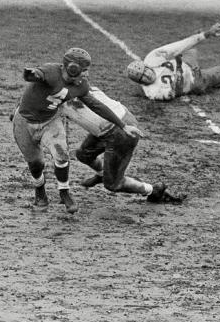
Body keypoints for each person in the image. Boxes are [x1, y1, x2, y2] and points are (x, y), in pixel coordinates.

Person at [12, 48, 142, 213]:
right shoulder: (51, 71)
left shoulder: (81, 86)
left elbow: (96, 105)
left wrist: (123, 125)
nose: (86, 74)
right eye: (84, 69)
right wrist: (32, 74)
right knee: (36, 164)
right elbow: (37, 76)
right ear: (73, 68)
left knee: (62, 155)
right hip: (25, 122)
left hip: (50, 121)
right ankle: (40, 191)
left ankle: (64, 192)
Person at [62, 86, 184, 204]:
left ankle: (154, 189)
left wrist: (123, 126)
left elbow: (96, 106)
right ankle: (102, 174)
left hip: (121, 129)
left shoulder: (62, 89)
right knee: (84, 154)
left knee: (113, 184)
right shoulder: (69, 82)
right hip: (110, 125)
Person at [124, 22, 220, 101]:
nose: (147, 75)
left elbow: (177, 47)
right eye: (142, 77)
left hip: (186, 62)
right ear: (141, 83)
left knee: (189, 48)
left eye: (145, 71)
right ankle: (219, 81)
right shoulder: (153, 92)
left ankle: (195, 37)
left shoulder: (152, 58)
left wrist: (206, 34)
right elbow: (170, 94)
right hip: (194, 80)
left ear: (147, 66)